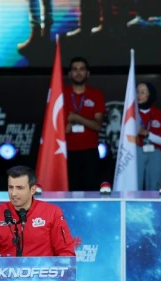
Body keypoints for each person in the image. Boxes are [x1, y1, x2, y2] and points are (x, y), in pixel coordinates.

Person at [63, 57, 105, 191]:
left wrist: (76, 117)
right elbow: (56, 128)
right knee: (68, 192)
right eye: (75, 69)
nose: (78, 72)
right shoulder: (61, 94)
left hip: (90, 152)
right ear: (69, 74)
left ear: (88, 73)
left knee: (91, 192)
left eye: (82, 69)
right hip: (66, 152)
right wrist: (65, 128)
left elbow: (97, 126)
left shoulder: (96, 94)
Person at [136, 82, 161, 191]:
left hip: (155, 151)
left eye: (143, 92)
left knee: (154, 185)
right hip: (136, 151)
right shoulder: (131, 114)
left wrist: (147, 134)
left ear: (150, 95)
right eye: (137, 92)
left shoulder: (159, 114)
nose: (139, 95)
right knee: (135, 184)